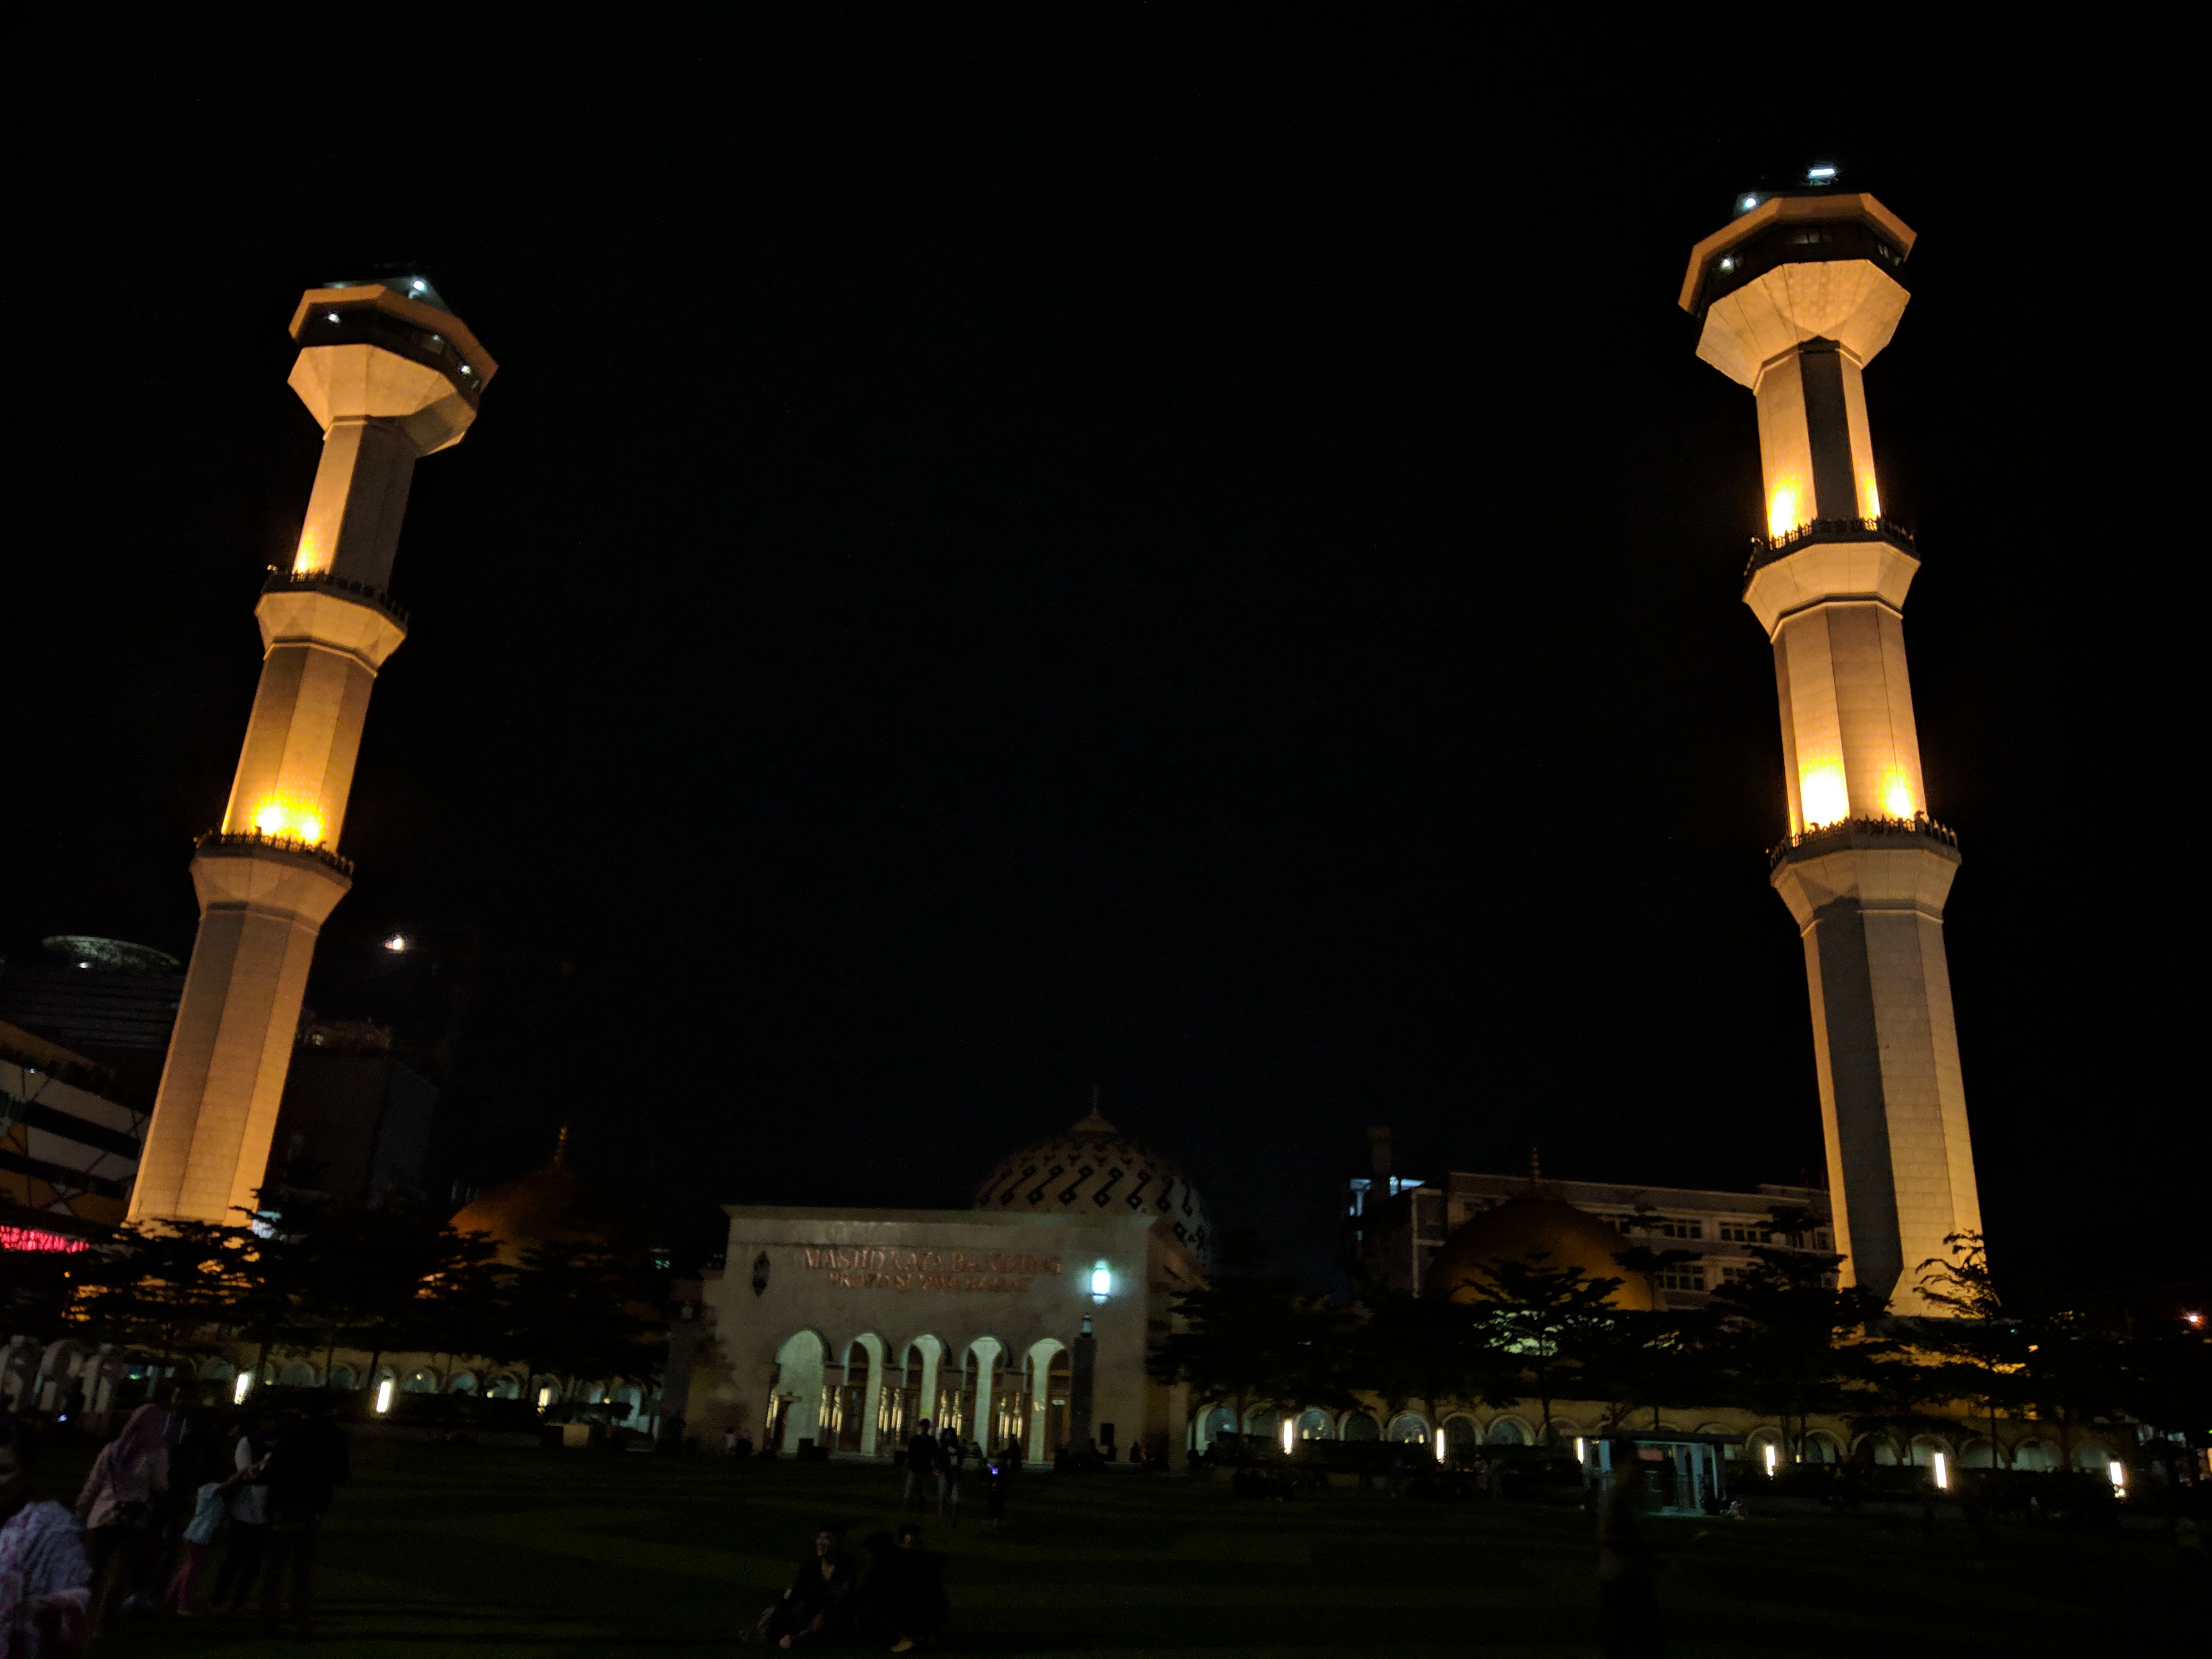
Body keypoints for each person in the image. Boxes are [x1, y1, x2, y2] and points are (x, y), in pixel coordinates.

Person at [256, 1400, 350, 1639]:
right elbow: (342, 1474)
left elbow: (274, 1468)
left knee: (276, 1566)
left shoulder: (294, 1434)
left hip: (288, 1503)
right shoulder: (336, 1437)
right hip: (314, 1506)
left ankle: (270, 1618)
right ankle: (300, 1617)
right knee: (303, 1567)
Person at [73, 1401, 169, 1635]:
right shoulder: (155, 1453)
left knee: (94, 1572)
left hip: (103, 1515)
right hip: (132, 1519)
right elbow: (160, 1486)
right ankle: (105, 1622)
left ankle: (82, 1617)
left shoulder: (113, 1449)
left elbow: (94, 1483)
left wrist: (82, 1510)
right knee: (120, 1574)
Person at [0, 1413, 92, 1654]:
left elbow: (72, 1598)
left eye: (4, 1470)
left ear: (27, 1469)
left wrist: (50, 1609)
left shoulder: (51, 1530)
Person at [161, 1456, 251, 1616]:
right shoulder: (207, 1488)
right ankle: (183, 1602)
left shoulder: (216, 1494)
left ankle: (172, 1597)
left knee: (188, 1567)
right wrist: (244, 1471)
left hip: (200, 1536)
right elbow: (228, 1485)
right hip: (197, 1535)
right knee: (192, 1568)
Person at [209, 1405, 277, 1613]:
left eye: (272, 1418)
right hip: (246, 1504)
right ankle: (219, 1598)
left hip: (267, 1506)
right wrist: (263, 1466)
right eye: (265, 1418)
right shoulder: (248, 1442)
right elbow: (245, 1473)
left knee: (255, 1561)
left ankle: (239, 1601)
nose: (269, 1422)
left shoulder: (277, 1443)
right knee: (235, 1556)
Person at [749, 1522, 855, 1648]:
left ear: (838, 1542)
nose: (820, 1542)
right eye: (819, 1538)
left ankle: (796, 1639)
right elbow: (794, 1594)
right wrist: (774, 1614)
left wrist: (824, 1613)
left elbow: (842, 1598)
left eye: (827, 1539)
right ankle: (771, 1634)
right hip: (809, 1615)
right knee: (776, 1615)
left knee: (828, 1626)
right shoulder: (811, 1566)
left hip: (832, 1618)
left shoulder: (846, 1566)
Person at [860, 1524, 946, 1653]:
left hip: (914, 1613)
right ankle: (923, 1636)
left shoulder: (883, 1568)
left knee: (870, 1616)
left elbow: (865, 1596)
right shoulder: (910, 1558)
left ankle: (910, 1638)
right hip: (933, 1612)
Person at [902, 1419, 937, 1510]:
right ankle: (909, 1505)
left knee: (923, 1489)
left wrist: (934, 1467)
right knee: (910, 1488)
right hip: (915, 1467)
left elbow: (934, 1455)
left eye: (926, 1426)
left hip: (925, 1467)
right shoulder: (915, 1440)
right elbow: (909, 1454)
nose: (925, 1428)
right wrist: (907, 1466)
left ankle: (919, 1506)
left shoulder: (930, 1441)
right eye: (923, 1426)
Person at [984, 1440, 1018, 1532]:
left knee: (997, 1505)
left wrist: (997, 1481)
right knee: (992, 1504)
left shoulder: (1004, 1468)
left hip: (999, 1490)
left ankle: (996, 1520)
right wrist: (991, 1470)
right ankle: (993, 1519)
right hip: (994, 1489)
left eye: (1000, 1459)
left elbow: (1002, 1478)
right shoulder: (998, 1467)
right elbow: (994, 1474)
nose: (998, 1460)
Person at [935, 1426, 964, 1527]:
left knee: (955, 1497)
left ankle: (953, 1516)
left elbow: (960, 1460)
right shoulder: (942, 1448)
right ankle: (942, 1516)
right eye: (948, 1434)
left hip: (955, 1474)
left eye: (951, 1435)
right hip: (945, 1473)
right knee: (942, 1494)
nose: (950, 1437)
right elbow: (938, 1461)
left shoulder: (957, 1448)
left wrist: (957, 1465)